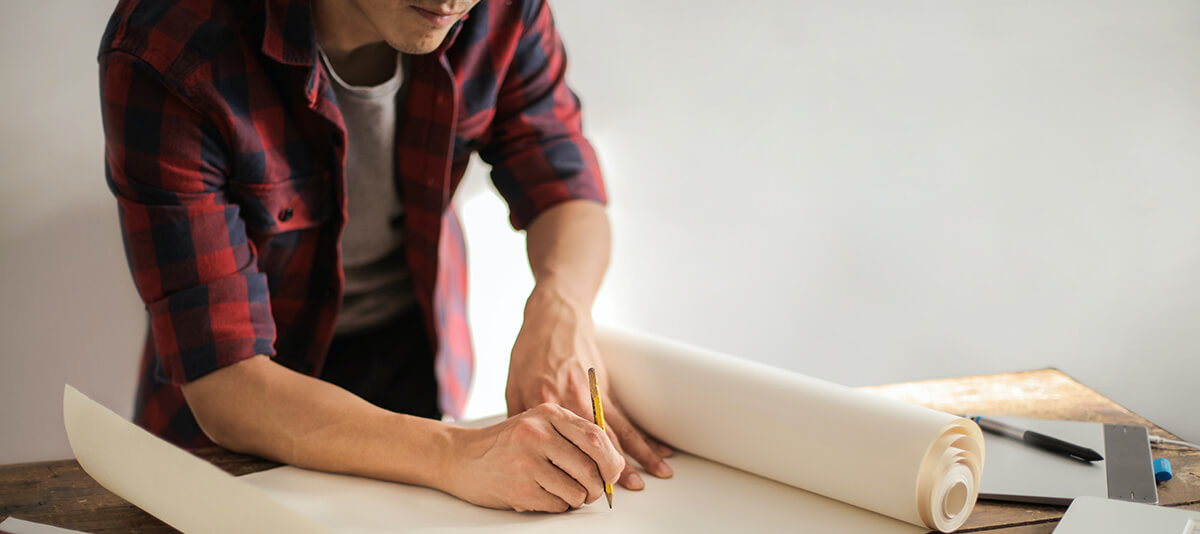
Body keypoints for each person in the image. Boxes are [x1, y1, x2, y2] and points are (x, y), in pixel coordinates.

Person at [98, 0, 672, 513]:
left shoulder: (501, 9)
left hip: (413, 354)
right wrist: (459, 454)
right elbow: (226, 384)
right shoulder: (168, 45)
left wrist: (560, 306)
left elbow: (564, 183)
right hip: (244, 410)